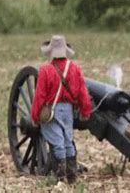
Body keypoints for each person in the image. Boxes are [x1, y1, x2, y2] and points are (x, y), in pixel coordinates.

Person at [31, 35, 92, 183]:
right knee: (67, 140)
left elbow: (40, 96)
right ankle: (72, 174)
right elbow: (82, 92)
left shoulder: (45, 70)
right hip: (68, 110)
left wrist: (34, 117)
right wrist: (85, 111)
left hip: (52, 110)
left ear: (51, 52)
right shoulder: (74, 68)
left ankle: (61, 176)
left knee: (57, 142)